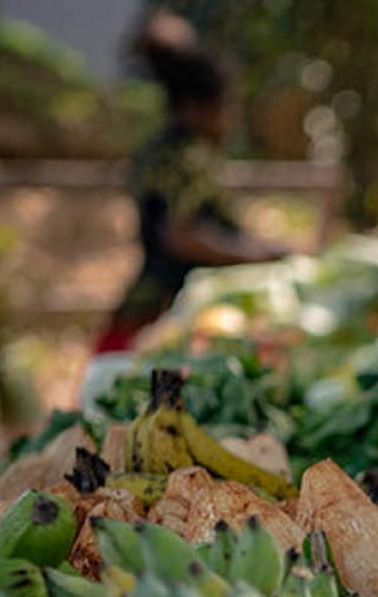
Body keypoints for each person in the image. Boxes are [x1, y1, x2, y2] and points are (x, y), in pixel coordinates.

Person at [97, 12, 287, 353]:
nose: (231, 120)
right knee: (160, 398)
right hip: (171, 314)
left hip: (145, 306)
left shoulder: (157, 150)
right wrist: (256, 254)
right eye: (225, 107)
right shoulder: (189, 157)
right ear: (195, 108)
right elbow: (182, 235)